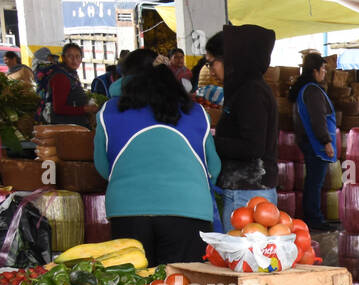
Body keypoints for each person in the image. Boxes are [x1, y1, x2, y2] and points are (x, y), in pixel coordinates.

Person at [94, 54, 219, 265]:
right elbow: (213, 168)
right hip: (188, 211)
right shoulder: (197, 112)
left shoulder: (109, 111)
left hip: (128, 211)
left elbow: (102, 167)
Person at [212, 25, 279, 231]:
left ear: (232, 60)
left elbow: (253, 147)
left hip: (248, 193)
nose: (210, 70)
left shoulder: (251, 92)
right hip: (247, 190)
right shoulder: (246, 89)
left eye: (211, 62)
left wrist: (211, 141)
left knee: (242, 258)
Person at [290, 52, 336, 231]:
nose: (324, 72)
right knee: (315, 183)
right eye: (323, 69)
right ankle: (314, 219)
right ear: (315, 71)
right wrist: (326, 141)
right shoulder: (312, 91)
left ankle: (313, 216)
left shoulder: (305, 89)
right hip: (315, 143)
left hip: (309, 141)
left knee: (313, 181)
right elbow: (317, 119)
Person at [41, 43, 98, 128]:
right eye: (70, 56)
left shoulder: (70, 74)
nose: (74, 60)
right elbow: (59, 108)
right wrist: (86, 109)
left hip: (72, 125)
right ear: (63, 58)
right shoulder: (61, 77)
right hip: (65, 127)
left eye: (77, 56)